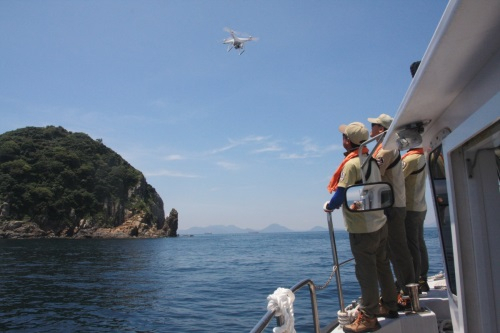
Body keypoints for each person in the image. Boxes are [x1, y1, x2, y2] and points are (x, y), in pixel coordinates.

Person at [324, 122, 398, 333]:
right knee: (383, 265)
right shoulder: (371, 161)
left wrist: (329, 207)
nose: (342, 140)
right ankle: (390, 305)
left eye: (344, 137)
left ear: (348, 141)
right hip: (380, 223)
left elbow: (340, 195)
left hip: (362, 229)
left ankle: (369, 316)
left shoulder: (351, 164)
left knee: (366, 272)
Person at [367, 114, 415, 303]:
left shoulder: (385, 150)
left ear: (382, 130)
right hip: (394, 205)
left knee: (398, 250)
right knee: (395, 250)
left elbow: (373, 175)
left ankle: (409, 292)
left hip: (392, 207)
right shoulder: (388, 148)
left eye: (374, 125)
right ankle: (404, 288)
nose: (371, 128)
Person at [402, 146, 430, 292]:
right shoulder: (423, 156)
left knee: (412, 245)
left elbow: (397, 179)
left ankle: (415, 281)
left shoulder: (411, 159)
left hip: (410, 207)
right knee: (419, 243)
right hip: (421, 206)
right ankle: (422, 278)